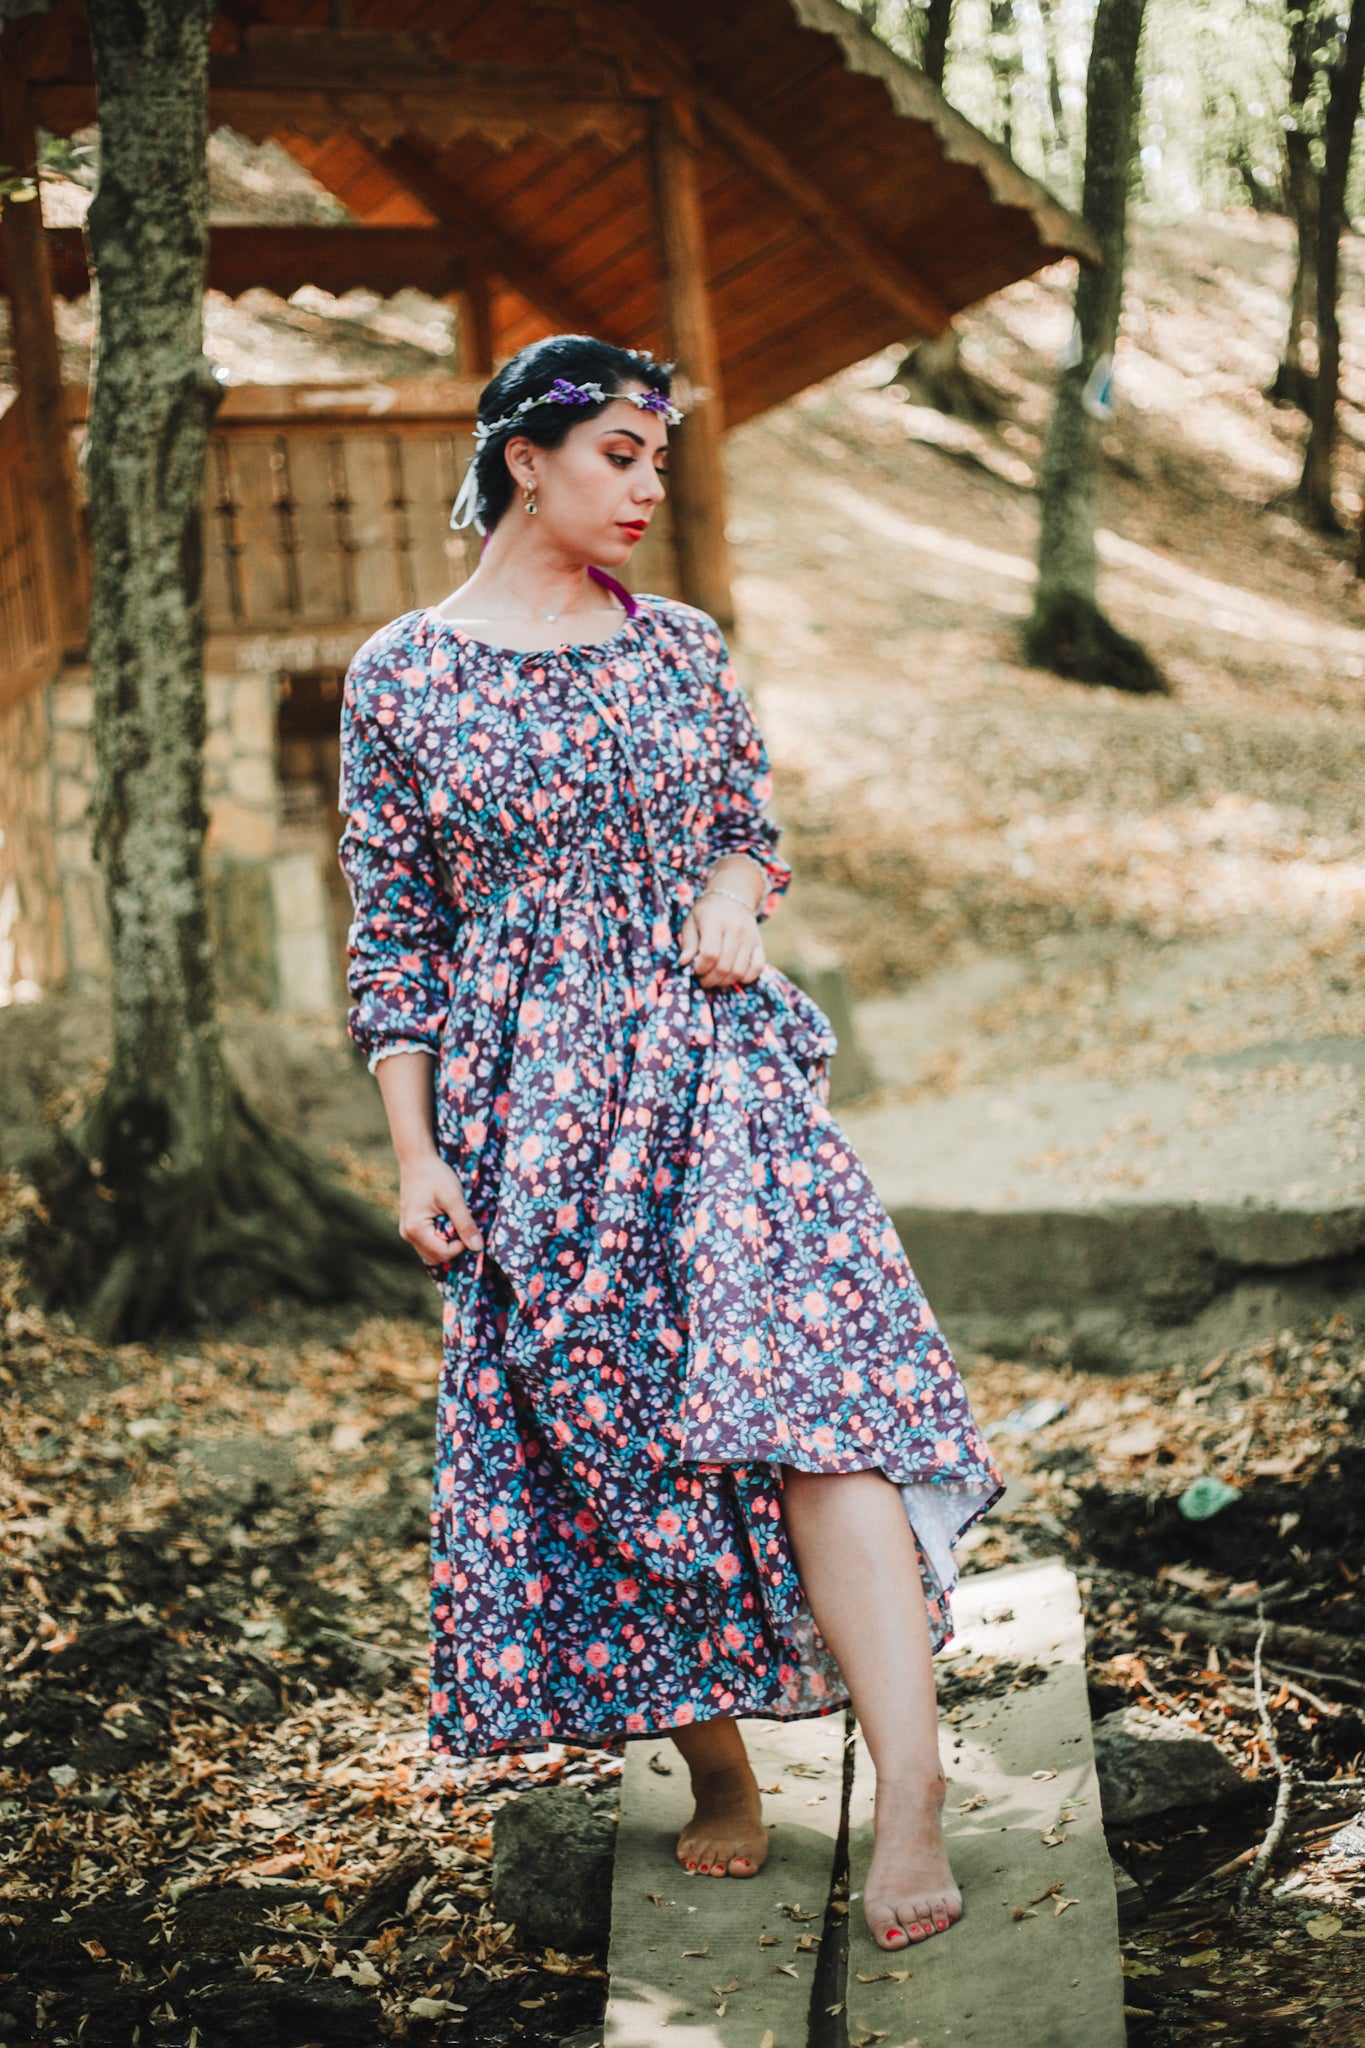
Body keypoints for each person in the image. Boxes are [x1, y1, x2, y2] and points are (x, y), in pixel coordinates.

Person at [338, 334, 1004, 1952]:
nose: (648, 488)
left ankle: (906, 1780)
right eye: (620, 456)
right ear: (526, 459)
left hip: (716, 1078)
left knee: (812, 1400)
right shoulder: (402, 675)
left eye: (655, 461)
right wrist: (417, 1154)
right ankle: (718, 1769)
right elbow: (394, 941)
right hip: (526, 1116)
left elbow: (740, 835)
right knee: (609, 1449)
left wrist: (723, 895)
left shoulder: (682, 647)